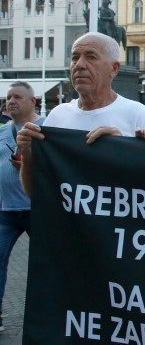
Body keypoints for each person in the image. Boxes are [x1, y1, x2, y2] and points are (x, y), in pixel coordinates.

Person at [16, 32, 145, 198]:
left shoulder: (138, 115)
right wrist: (27, 155)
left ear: (114, 69)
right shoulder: (58, 116)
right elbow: (37, 194)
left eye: (91, 57)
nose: (80, 65)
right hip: (68, 223)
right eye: (75, 57)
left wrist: (122, 151)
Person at [0, 82, 41, 332]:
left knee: (47, 262)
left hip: (37, 209)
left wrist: (28, 166)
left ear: (32, 102)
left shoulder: (47, 126)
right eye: (8, 97)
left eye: (17, 96)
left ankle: (52, 310)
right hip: (5, 210)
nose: (11, 100)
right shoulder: (3, 130)